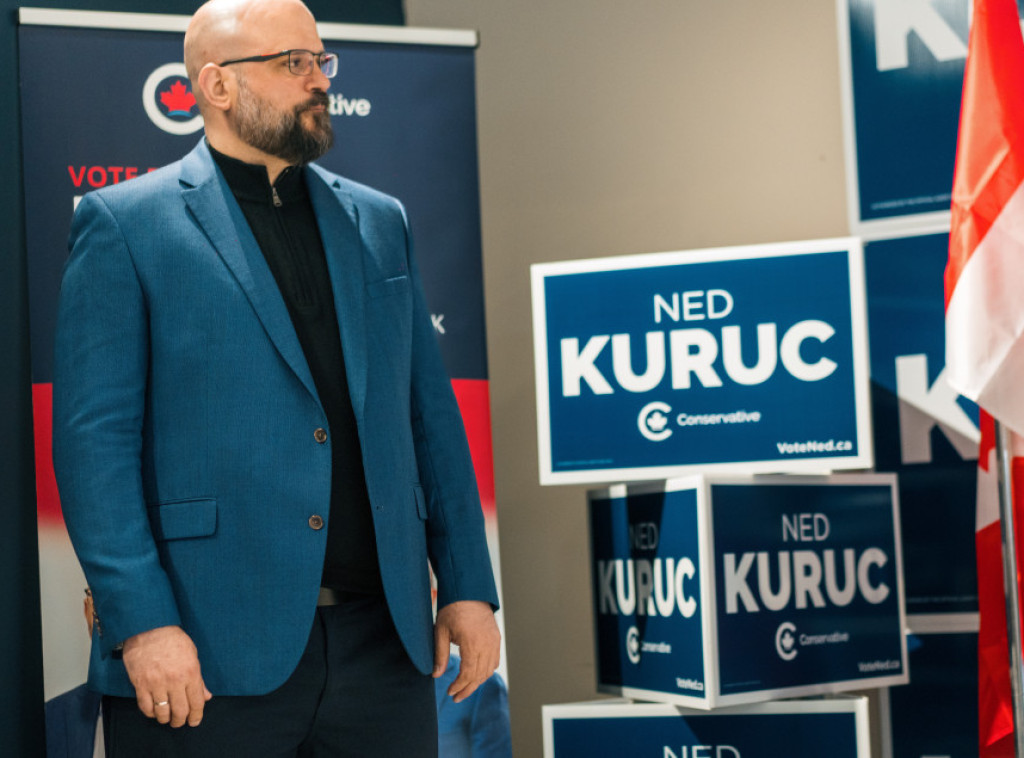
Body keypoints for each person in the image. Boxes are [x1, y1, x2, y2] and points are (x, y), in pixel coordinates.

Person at [51, 0, 500, 754]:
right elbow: (95, 447)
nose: (318, 80)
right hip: (204, 649)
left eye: (320, 60)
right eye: (292, 63)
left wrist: (466, 586)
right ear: (217, 86)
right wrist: (144, 624)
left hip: (385, 647)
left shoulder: (379, 221)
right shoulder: (125, 224)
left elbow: (429, 417)